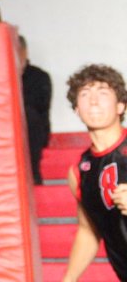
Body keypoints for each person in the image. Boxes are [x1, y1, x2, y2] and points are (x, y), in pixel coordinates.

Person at [62, 64, 127, 281]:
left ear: (120, 106)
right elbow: (88, 231)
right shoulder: (80, 171)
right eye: (85, 94)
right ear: (77, 110)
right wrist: (68, 280)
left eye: (103, 92)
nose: (93, 101)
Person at [19, 35, 52, 185]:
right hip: (10, 134)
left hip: (33, 133)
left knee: (29, 115)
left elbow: (40, 106)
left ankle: (33, 177)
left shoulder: (39, 77)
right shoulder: (0, 78)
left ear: (24, 52)